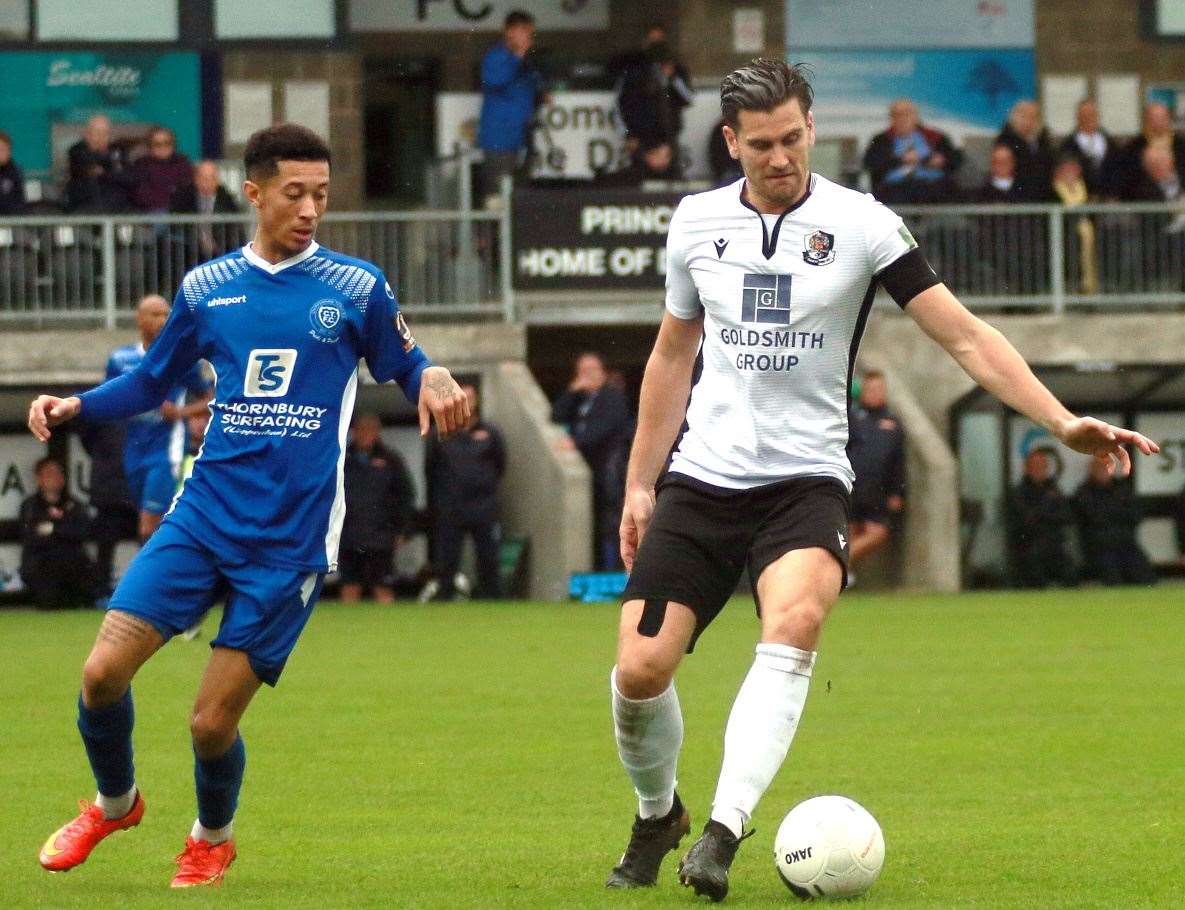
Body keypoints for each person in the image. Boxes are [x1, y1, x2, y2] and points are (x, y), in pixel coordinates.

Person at [603, 58, 1158, 901]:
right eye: (761, 144)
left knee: (792, 621)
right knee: (640, 672)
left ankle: (722, 829)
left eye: (793, 138)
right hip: (703, 481)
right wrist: (642, 483)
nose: (780, 156)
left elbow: (965, 338)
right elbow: (671, 354)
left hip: (807, 482)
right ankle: (658, 815)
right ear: (730, 143)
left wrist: (1059, 420)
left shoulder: (862, 225)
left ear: (812, 129)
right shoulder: (694, 223)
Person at [27, 122, 469, 889]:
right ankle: (115, 801)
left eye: (321, 196)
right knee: (100, 674)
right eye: (293, 194)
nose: (309, 209)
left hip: (288, 538)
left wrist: (431, 376)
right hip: (203, 514)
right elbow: (151, 384)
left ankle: (211, 836)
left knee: (208, 724)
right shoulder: (205, 288)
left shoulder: (355, 286)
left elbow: (407, 359)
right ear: (254, 191)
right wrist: (78, 404)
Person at [106, 294, 213, 542]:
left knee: (149, 524)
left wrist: (180, 413)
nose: (163, 321)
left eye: (167, 315)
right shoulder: (120, 359)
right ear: (140, 319)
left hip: (166, 450)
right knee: (148, 520)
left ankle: (154, 579)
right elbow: (108, 398)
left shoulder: (181, 358)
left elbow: (211, 400)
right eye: (156, 315)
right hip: (134, 448)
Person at [425, 383, 507, 600]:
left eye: (470, 397)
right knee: (447, 559)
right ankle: (445, 600)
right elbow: (430, 470)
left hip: (484, 506)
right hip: (451, 507)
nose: (466, 401)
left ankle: (492, 601)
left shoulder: (490, 432)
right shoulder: (440, 432)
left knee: (488, 556)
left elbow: (501, 465)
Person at [551, 352, 632, 571]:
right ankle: (597, 569)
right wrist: (571, 391)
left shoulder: (612, 396)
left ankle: (616, 569)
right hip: (590, 473)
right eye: (582, 372)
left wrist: (576, 442)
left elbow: (608, 427)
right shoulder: (580, 399)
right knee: (594, 523)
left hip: (610, 469)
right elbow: (556, 415)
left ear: (602, 372)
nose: (587, 376)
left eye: (592, 370)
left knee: (612, 522)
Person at [339, 413, 415, 604]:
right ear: (353, 432)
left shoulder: (391, 460)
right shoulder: (341, 459)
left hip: (381, 534)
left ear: (377, 432)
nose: (366, 434)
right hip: (348, 533)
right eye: (361, 430)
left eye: (370, 430)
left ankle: (389, 630)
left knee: (383, 585)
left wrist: (402, 530)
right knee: (350, 585)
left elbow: (405, 496)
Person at [477, 11, 544, 204]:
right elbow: (495, 80)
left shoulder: (526, 62)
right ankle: (488, 235)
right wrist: (518, 56)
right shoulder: (496, 57)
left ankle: (514, 234)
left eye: (531, 33)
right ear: (510, 32)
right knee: (497, 195)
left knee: (519, 195)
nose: (529, 38)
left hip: (522, 139)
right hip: (499, 140)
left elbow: (530, 87)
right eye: (525, 32)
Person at [846, 372, 905, 568]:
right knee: (848, 532)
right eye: (870, 389)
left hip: (877, 489)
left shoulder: (892, 421)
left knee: (878, 533)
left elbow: (898, 460)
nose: (874, 393)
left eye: (879, 389)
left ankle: (841, 564)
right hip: (851, 486)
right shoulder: (851, 418)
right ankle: (841, 576)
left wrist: (897, 492)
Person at [19, 457, 95, 609]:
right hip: (42, 564)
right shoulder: (30, 506)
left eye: (58, 473)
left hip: (71, 562)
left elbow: (81, 532)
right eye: (49, 473)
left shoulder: (75, 504)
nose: (55, 478)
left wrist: (53, 529)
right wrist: (62, 529)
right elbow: (31, 536)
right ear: (39, 479)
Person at [75, 421, 138, 597]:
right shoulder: (103, 413)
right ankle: (101, 591)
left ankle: (151, 591)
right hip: (109, 492)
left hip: (138, 488)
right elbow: (85, 436)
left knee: (150, 539)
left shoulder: (143, 410)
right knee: (105, 544)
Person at [1073, 457, 1156, 586]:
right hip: (1099, 547)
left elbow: (1135, 515)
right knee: (1113, 578)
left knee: (1145, 576)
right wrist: (1116, 514)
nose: (1104, 471)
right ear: (1092, 470)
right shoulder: (1084, 493)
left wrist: (1112, 515)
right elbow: (1094, 519)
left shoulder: (1123, 489)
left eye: (1107, 467)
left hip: (1125, 543)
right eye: (1100, 468)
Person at [862, 98, 962, 204]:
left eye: (907, 114)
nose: (902, 119)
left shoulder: (935, 137)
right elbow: (870, 163)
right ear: (891, 118)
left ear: (915, 117)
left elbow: (955, 159)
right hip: (895, 188)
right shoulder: (881, 140)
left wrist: (941, 161)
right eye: (897, 115)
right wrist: (901, 160)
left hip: (932, 185)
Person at [1007, 449, 1078, 589]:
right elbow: (1026, 521)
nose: (1039, 470)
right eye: (1035, 466)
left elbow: (1066, 516)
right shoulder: (1018, 494)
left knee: (1071, 573)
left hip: (1055, 546)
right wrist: (1047, 510)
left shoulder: (1055, 491)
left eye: (1042, 466)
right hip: (1029, 547)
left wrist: (1044, 514)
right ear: (1027, 469)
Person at [1109, 102, 1185, 201]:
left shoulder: (1181, 145)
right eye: (1154, 119)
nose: (1158, 123)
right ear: (1145, 121)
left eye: (1162, 118)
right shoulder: (1132, 148)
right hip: (1144, 203)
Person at [170, 160, 244, 262]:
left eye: (212, 178)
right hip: (190, 251)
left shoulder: (227, 201)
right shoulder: (184, 198)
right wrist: (199, 240)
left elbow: (235, 231)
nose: (207, 182)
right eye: (204, 178)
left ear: (217, 180)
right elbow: (177, 225)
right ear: (196, 179)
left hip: (220, 252)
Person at [65, 115, 130, 213]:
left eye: (105, 133)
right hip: (85, 207)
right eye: (97, 132)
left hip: (116, 209)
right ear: (87, 134)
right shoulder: (77, 150)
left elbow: (127, 177)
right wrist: (111, 167)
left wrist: (105, 172)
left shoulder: (117, 151)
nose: (101, 137)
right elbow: (89, 165)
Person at [994, 100, 1055, 202]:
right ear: (1015, 118)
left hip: (1043, 196)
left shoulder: (1043, 141)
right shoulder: (1005, 140)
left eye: (1033, 117)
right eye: (1024, 117)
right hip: (1015, 196)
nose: (1029, 122)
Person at [1057, 99, 1117, 197]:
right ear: (1078, 117)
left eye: (1092, 114)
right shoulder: (1067, 146)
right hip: (1080, 204)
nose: (1089, 119)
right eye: (1084, 115)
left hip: (1108, 205)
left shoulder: (1111, 145)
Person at [128, 126, 192, 213]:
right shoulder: (142, 164)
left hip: (178, 210)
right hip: (150, 211)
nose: (163, 147)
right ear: (149, 147)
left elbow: (186, 191)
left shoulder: (182, 163)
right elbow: (141, 194)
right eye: (157, 144)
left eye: (167, 143)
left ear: (173, 145)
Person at [0, 130, 26, 215]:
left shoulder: (15, 173)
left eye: (3, 149)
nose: (1, 153)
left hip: (10, 221)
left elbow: (18, 203)